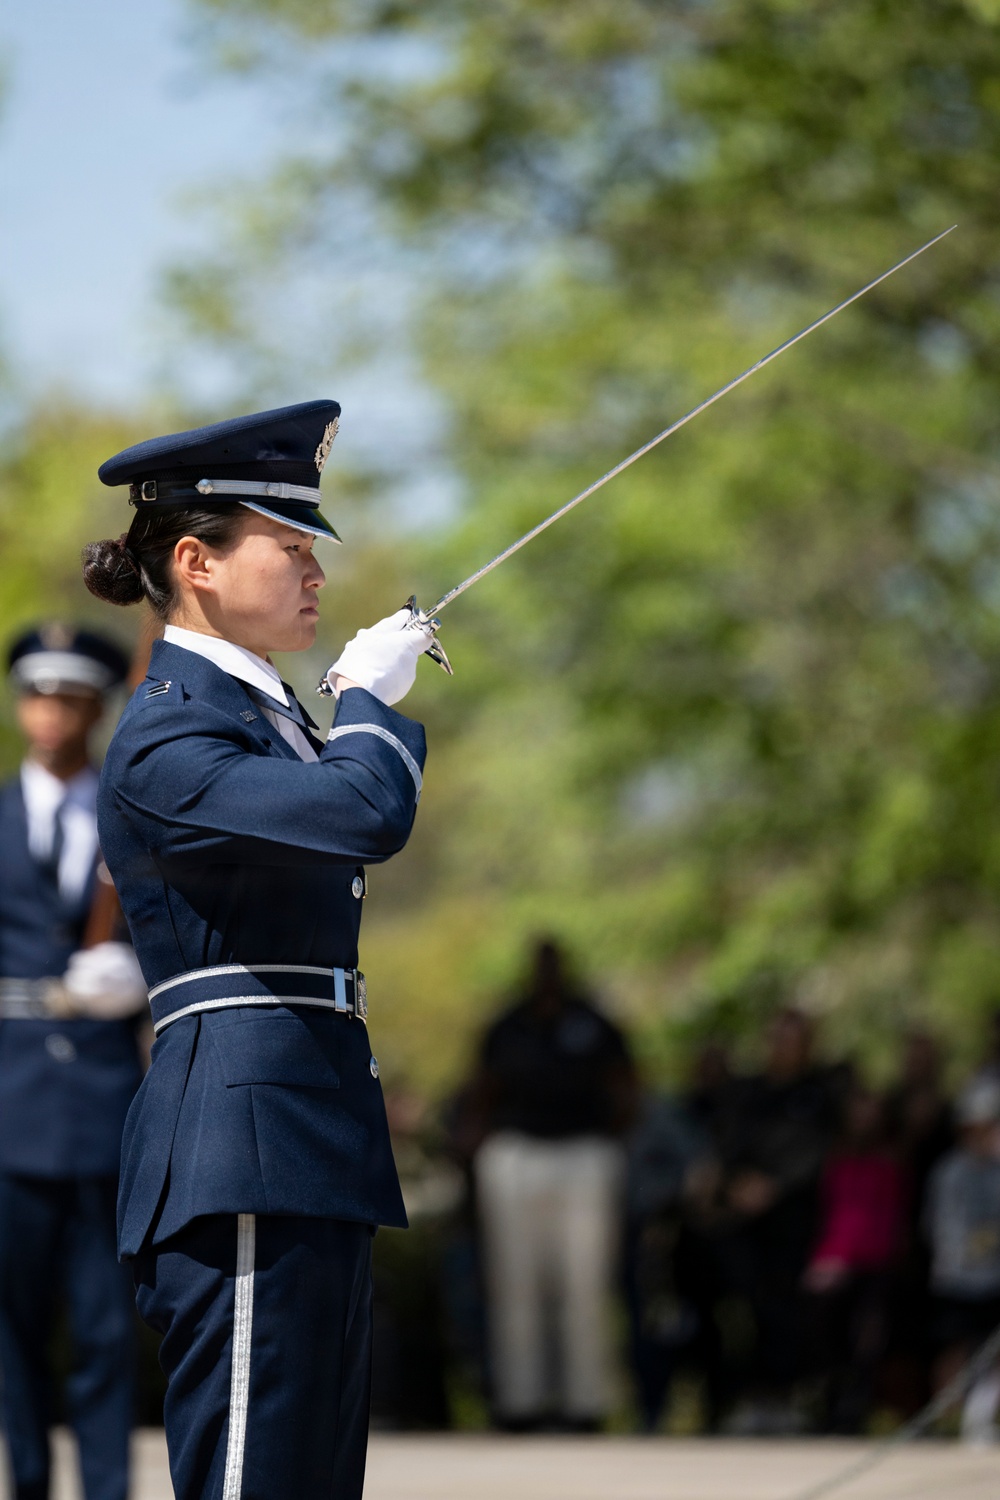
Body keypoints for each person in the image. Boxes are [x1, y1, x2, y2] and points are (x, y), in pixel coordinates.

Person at [82, 399, 433, 1500]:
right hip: (242, 1144)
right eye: (287, 548)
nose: (316, 573)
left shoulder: (266, 718)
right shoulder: (169, 732)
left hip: (308, 1137)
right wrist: (370, 706)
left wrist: (349, 714)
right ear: (195, 560)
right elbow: (361, 817)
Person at [0, 625, 148, 1500]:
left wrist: (138, 972)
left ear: (97, 709)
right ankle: (23, 1480)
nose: (51, 714)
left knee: (100, 1326)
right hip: (10, 1101)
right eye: (37, 696)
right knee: (12, 1325)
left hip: (102, 1100)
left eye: (69, 698)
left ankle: (104, 1489)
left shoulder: (132, 816)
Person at [469, 937, 637, 1431]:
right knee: (515, 1285)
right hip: (517, 1155)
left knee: (585, 1285)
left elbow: (627, 1087)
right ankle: (520, 1404)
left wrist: (611, 1142)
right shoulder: (508, 1025)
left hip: (584, 1155)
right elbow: (480, 1092)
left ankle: (585, 1406)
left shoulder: (595, 1023)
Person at [802, 1084, 907, 1432]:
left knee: (868, 1334)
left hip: (875, 1261)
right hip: (833, 1259)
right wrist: (826, 1258)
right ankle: (829, 1403)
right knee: (825, 1332)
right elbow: (833, 1215)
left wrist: (846, 1259)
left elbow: (884, 1221)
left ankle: (856, 1409)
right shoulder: (836, 1157)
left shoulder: (891, 1160)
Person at [924, 1076, 1000, 1439]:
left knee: (994, 1352)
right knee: (954, 1351)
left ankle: (982, 1418)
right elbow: (943, 1229)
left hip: (995, 1280)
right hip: (958, 1279)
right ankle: (947, 1421)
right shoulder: (949, 1172)